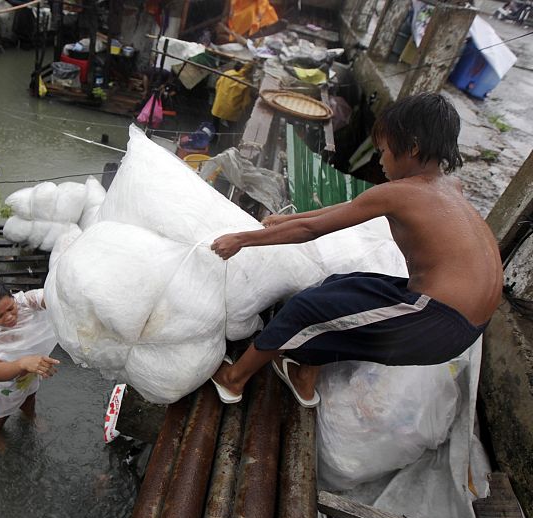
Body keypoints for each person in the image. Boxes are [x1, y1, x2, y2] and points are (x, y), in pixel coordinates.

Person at [209, 92, 503, 407]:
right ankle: (304, 377)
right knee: (342, 286)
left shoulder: (401, 193)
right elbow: (349, 207)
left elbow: (312, 231)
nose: (380, 160)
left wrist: (242, 239)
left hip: (435, 319)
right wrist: (287, 218)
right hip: (463, 322)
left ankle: (234, 379)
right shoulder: (447, 188)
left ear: (413, 146)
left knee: (304, 308)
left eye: (385, 151)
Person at [0, 281, 60, 451]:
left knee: (30, 396)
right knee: (0, 413)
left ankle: (30, 416)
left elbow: (48, 296)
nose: (8, 317)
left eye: (10, 308)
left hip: (30, 370)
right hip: (3, 386)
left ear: (12, 297)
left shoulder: (23, 302)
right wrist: (22, 363)